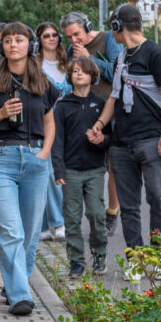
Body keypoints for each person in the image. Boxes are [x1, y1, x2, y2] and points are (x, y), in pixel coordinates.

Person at [0, 22, 59, 316]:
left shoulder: (42, 82)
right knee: (11, 231)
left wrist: (44, 155)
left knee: (31, 232)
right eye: (7, 41)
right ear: (1, 47)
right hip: (0, 159)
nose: (12, 45)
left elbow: (49, 123)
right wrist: (0, 113)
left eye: (19, 40)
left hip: (35, 159)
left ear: (30, 46)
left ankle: (14, 283)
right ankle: (21, 295)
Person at [86, 4, 161, 281]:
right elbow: (113, 97)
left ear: (117, 27)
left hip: (152, 139)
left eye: (110, 27)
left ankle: (160, 258)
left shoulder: (157, 55)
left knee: (158, 199)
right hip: (121, 143)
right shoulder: (122, 58)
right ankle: (136, 261)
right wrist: (100, 125)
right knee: (129, 206)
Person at [61, 10, 125, 235]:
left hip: (110, 109)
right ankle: (90, 214)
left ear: (87, 26)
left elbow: (117, 72)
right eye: (69, 37)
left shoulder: (107, 39)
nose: (73, 40)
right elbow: (73, 78)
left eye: (76, 34)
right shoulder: (72, 50)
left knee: (113, 165)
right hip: (85, 112)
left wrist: (90, 57)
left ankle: (112, 211)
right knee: (90, 165)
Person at [52, 57, 110, 279]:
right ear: (70, 76)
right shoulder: (63, 105)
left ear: (92, 76)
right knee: (72, 218)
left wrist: (102, 140)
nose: (79, 74)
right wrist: (59, 170)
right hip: (70, 170)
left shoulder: (101, 104)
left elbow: (110, 137)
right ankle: (76, 262)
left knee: (96, 213)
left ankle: (100, 254)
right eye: (75, 71)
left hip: (95, 169)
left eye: (83, 71)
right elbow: (57, 141)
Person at [36, 22, 71, 244]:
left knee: (63, 173)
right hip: (43, 123)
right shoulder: (34, 64)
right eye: (46, 35)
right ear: (39, 39)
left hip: (68, 123)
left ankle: (60, 221)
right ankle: (54, 223)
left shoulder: (67, 62)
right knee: (47, 173)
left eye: (54, 35)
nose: (51, 38)